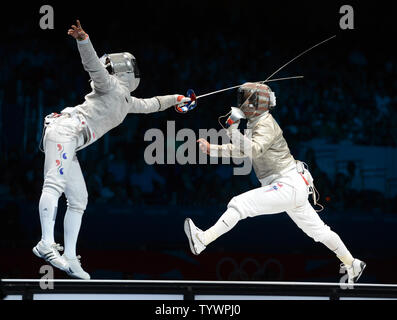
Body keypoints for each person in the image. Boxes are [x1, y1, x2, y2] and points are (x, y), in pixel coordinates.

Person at [33, 20, 191, 279]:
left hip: (72, 141)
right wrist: (84, 41)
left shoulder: (125, 100)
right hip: (65, 131)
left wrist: (176, 100)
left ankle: (71, 257)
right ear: (125, 70)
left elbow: (151, 104)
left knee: (79, 200)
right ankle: (46, 243)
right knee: (54, 185)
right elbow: (93, 66)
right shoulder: (109, 84)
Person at [186, 82, 366, 284]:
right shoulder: (256, 124)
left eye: (245, 99)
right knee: (320, 232)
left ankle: (203, 240)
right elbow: (244, 150)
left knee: (239, 203)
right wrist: (213, 149)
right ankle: (352, 263)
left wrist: (233, 130)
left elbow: (253, 149)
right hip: (292, 185)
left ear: (256, 103)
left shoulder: (267, 124)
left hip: (287, 184)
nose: (241, 104)